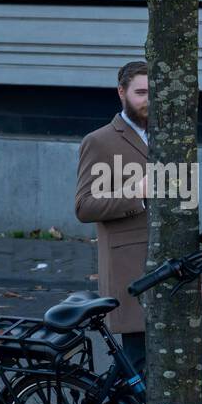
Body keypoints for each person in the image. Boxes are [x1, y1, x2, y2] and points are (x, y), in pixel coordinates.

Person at [75, 59, 149, 371]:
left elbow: (186, 202)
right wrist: (137, 192)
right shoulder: (99, 141)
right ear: (121, 92)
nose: (149, 101)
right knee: (135, 362)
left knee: (159, 365)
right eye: (141, 92)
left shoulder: (173, 136)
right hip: (129, 270)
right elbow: (84, 206)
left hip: (173, 270)